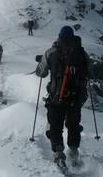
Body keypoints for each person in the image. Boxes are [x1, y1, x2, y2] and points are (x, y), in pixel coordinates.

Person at [35, 26, 89, 167]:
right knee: (73, 125)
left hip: (57, 97)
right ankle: (73, 151)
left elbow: (41, 73)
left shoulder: (51, 52)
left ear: (59, 36)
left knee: (55, 125)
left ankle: (58, 153)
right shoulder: (82, 54)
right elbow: (91, 73)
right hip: (76, 98)